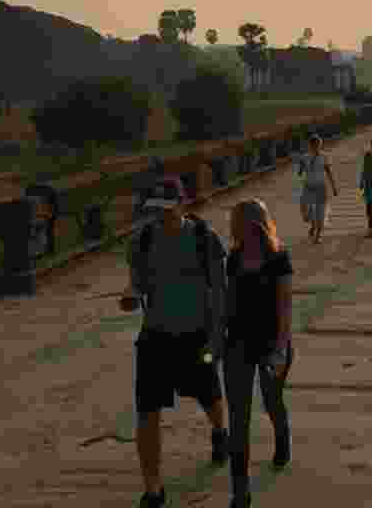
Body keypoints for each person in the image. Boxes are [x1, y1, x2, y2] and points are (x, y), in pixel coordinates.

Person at [120, 179, 230, 508]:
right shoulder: (141, 241)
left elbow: (221, 292)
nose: (161, 216)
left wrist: (218, 337)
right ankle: (153, 489)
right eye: (156, 210)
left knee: (209, 396)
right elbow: (137, 281)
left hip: (196, 337)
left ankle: (219, 431)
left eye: (167, 210)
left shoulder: (204, 239)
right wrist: (131, 294)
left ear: (182, 205)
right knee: (147, 413)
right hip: (155, 338)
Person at [223, 199, 294, 508]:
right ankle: (240, 492)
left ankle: (282, 437)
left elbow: (284, 308)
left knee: (272, 402)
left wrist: (280, 350)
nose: (231, 228)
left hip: (271, 346)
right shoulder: (234, 258)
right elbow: (229, 302)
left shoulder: (279, 258)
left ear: (250, 223)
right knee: (238, 420)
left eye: (235, 221)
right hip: (237, 345)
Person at [297, 135, 338, 244]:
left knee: (321, 212)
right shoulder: (305, 157)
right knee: (306, 212)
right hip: (308, 187)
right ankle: (313, 224)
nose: (317, 148)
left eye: (319, 145)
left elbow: (329, 172)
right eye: (314, 145)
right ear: (310, 146)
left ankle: (318, 235)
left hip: (321, 187)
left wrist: (334, 187)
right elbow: (300, 173)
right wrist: (300, 166)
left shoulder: (324, 157)